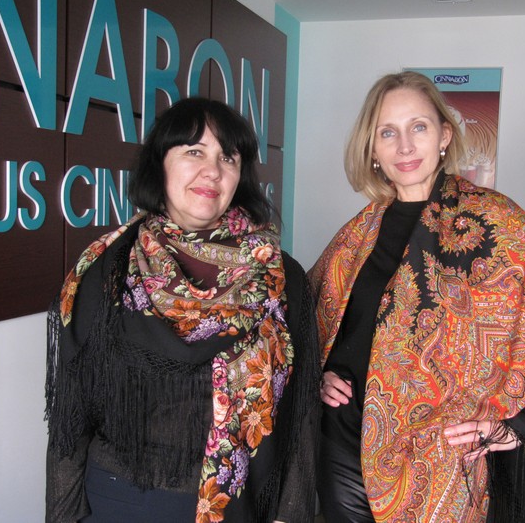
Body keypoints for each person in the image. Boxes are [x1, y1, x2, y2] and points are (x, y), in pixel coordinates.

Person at [309, 71, 525, 522]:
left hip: (443, 461)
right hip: (343, 447)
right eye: (387, 132)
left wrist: (515, 427)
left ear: (444, 136)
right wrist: (319, 372)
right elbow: (307, 320)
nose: (405, 146)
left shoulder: (496, 222)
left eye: (418, 127)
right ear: (372, 149)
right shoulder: (358, 233)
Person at [45, 97, 320, 523]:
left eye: (227, 157)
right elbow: (73, 413)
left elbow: (300, 413)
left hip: (238, 505)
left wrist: (290, 515)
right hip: (119, 501)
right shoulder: (110, 270)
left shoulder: (282, 279)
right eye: (194, 151)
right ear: (161, 163)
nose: (212, 171)